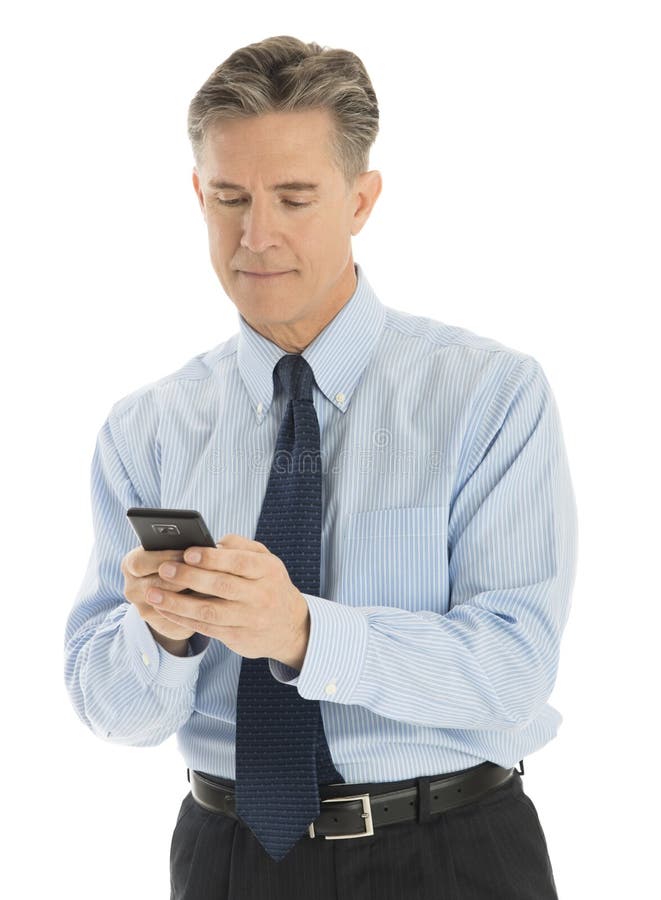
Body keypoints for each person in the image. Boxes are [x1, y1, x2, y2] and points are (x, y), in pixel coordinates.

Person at [64, 34, 578, 900]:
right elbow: (114, 712)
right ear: (198, 194)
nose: (255, 236)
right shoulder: (145, 430)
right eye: (228, 197)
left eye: (294, 198)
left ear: (360, 199)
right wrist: (161, 632)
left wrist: (300, 633)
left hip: (449, 854)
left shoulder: (488, 395)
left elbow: (513, 667)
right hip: (226, 860)